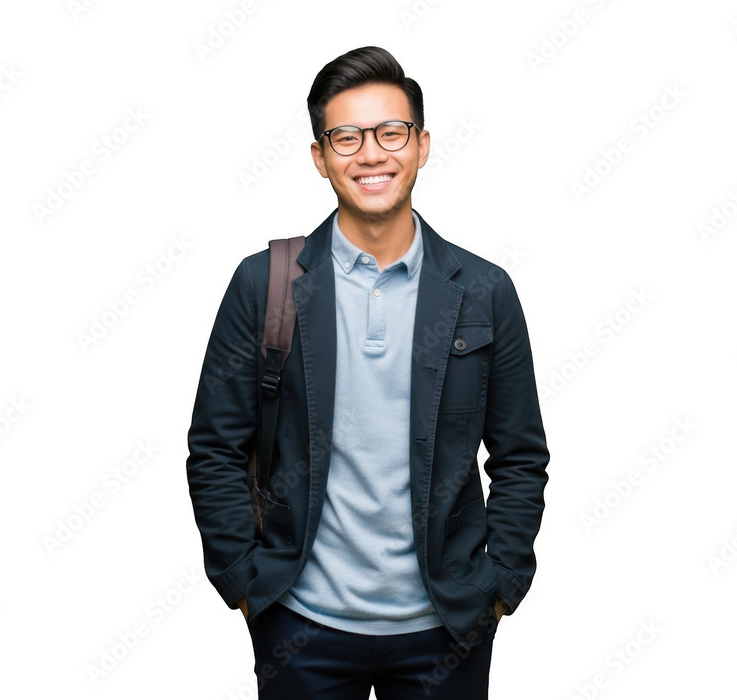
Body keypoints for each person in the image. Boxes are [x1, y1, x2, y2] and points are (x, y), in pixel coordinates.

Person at [185, 45, 550, 699]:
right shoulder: (265, 285)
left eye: (391, 132)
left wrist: (501, 585)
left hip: (447, 627)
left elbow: (520, 455)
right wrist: (244, 583)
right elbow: (215, 448)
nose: (372, 153)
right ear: (320, 157)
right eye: (346, 136)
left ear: (422, 145)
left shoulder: (483, 290)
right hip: (302, 628)